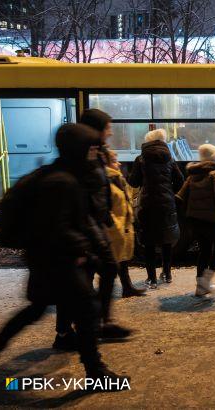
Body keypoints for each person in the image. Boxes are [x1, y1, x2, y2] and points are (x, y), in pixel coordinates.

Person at [0, 124, 125, 388]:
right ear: (80, 149)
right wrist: (83, 252)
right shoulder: (61, 182)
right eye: (93, 149)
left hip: (50, 257)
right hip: (58, 260)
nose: (97, 153)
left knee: (36, 310)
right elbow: (57, 226)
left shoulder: (63, 175)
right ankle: (95, 372)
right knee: (86, 309)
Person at [69, 108, 130, 341]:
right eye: (107, 128)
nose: (111, 133)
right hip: (86, 228)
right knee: (79, 282)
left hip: (97, 225)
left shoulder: (98, 153)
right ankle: (73, 330)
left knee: (105, 270)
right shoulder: (83, 155)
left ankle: (101, 322)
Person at [177, 144, 215, 296]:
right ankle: (205, 281)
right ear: (214, 157)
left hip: (195, 221)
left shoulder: (192, 175)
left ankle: (200, 286)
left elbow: (179, 197)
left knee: (204, 251)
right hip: (212, 221)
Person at [129, 129, 184, 289]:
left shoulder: (140, 159)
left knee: (149, 242)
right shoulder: (169, 159)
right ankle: (167, 274)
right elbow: (180, 180)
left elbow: (134, 182)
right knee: (167, 240)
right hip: (167, 203)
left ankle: (151, 279)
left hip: (148, 205)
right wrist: (169, 191)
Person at [104, 149, 145, 298]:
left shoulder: (117, 179)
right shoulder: (106, 181)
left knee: (122, 260)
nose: (119, 163)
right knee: (109, 267)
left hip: (122, 229)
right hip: (114, 230)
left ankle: (127, 287)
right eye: (114, 161)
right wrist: (115, 225)